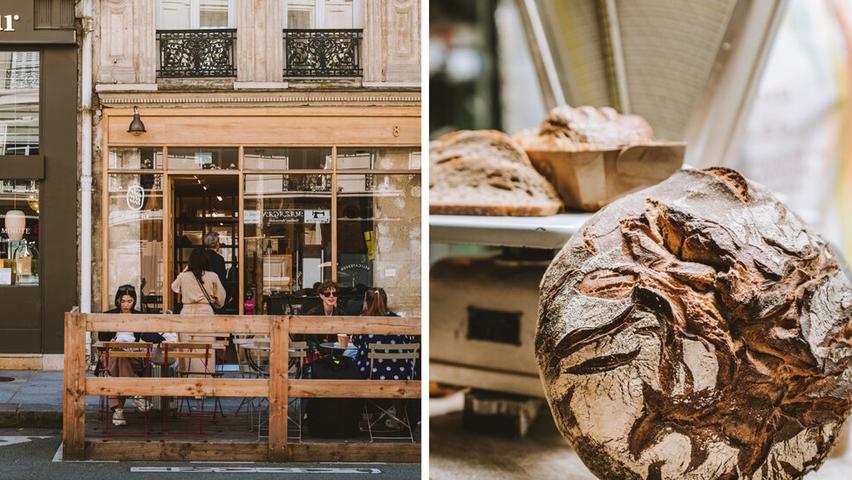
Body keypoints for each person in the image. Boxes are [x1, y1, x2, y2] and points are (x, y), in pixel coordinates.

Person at [171, 248, 226, 374]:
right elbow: (221, 298)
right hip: (205, 313)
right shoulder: (212, 276)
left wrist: (186, 269)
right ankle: (205, 380)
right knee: (205, 348)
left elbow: (174, 287)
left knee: (187, 348)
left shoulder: (183, 277)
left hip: (186, 313)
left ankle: (187, 381)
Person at [101, 285, 148, 426]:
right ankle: (136, 393)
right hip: (113, 356)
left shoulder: (140, 316)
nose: (126, 304)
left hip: (134, 356)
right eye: (123, 301)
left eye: (129, 301)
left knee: (118, 362)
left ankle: (118, 411)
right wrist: (113, 341)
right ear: (117, 300)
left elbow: (147, 337)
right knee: (118, 356)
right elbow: (102, 337)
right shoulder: (109, 315)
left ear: (134, 301)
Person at [203, 232, 228, 312]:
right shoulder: (219, 259)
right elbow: (222, 280)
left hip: (202, 295)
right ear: (217, 244)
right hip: (215, 296)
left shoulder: (201, 257)